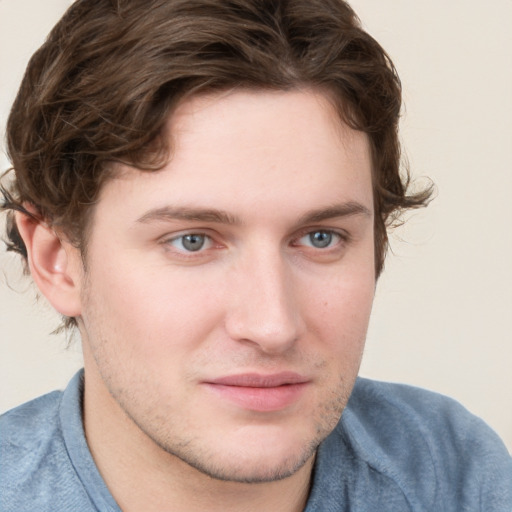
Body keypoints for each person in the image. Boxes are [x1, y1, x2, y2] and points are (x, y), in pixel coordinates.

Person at [0, 0, 510, 510]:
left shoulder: (454, 475)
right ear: (55, 260)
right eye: (192, 241)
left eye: (320, 237)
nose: (273, 326)